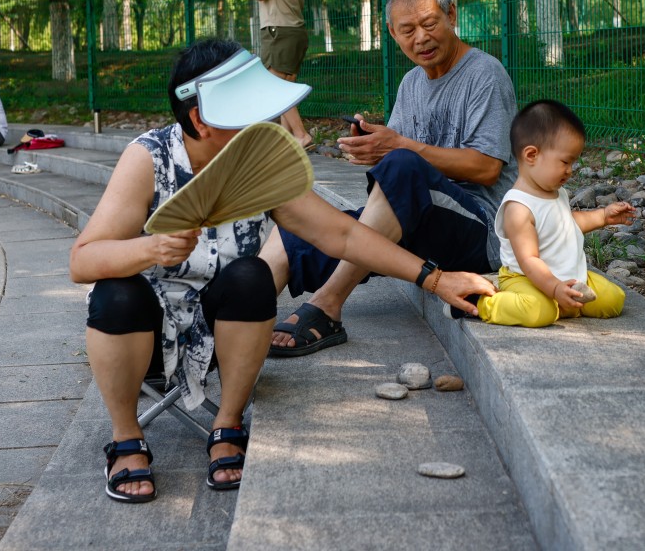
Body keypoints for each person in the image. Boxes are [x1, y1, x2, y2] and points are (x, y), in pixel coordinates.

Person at [68, 38, 495, 503]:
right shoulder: (147, 158)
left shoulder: (257, 166)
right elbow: (83, 261)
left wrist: (435, 278)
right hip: (142, 343)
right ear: (200, 120)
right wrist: (150, 248)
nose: (268, 124)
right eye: (252, 113)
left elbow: (344, 236)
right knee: (115, 290)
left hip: (220, 341)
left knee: (250, 275)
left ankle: (227, 422)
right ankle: (126, 436)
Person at [266, 0, 519, 356]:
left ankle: (327, 304)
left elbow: (486, 168)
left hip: (481, 230)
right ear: (390, 32)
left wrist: (397, 147)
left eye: (430, 23)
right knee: (299, 230)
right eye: (407, 30)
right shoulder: (411, 84)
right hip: (422, 223)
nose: (421, 38)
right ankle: (231, 330)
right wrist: (375, 147)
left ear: (452, 14)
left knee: (401, 164)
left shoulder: (484, 74)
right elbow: (398, 176)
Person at [468, 100, 635, 327]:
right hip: (525, 278)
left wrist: (603, 216)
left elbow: (565, 224)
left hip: (565, 276)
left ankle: (562, 304)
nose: (570, 170)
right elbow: (529, 260)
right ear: (531, 155)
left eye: (573, 162)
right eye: (565, 161)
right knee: (538, 312)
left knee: (613, 300)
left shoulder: (556, 192)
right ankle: (479, 304)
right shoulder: (518, 208)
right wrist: (555, 288)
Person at [235, 0, 313, 150]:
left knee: (276, 88)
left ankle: (301, 135)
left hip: (278, 31)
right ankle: (286, 140)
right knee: (285, 86)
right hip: (295, 31)